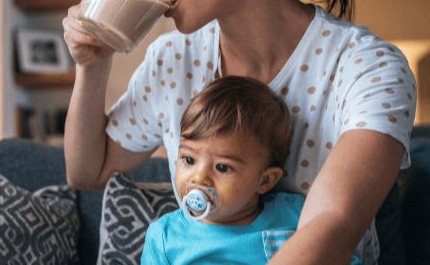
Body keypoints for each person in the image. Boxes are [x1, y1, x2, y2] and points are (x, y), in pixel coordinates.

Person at [61, 0, 417, 264]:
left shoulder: (368, 68)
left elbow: (330, 229)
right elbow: (87, 172)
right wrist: (91, 66)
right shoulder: (172, 61)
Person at [141, 76, 348, 264]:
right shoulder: (165, 238)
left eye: (222, 167)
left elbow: (340, 256)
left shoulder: (297, 216)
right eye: (188, 159)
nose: (199, 177)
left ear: (265, 181)